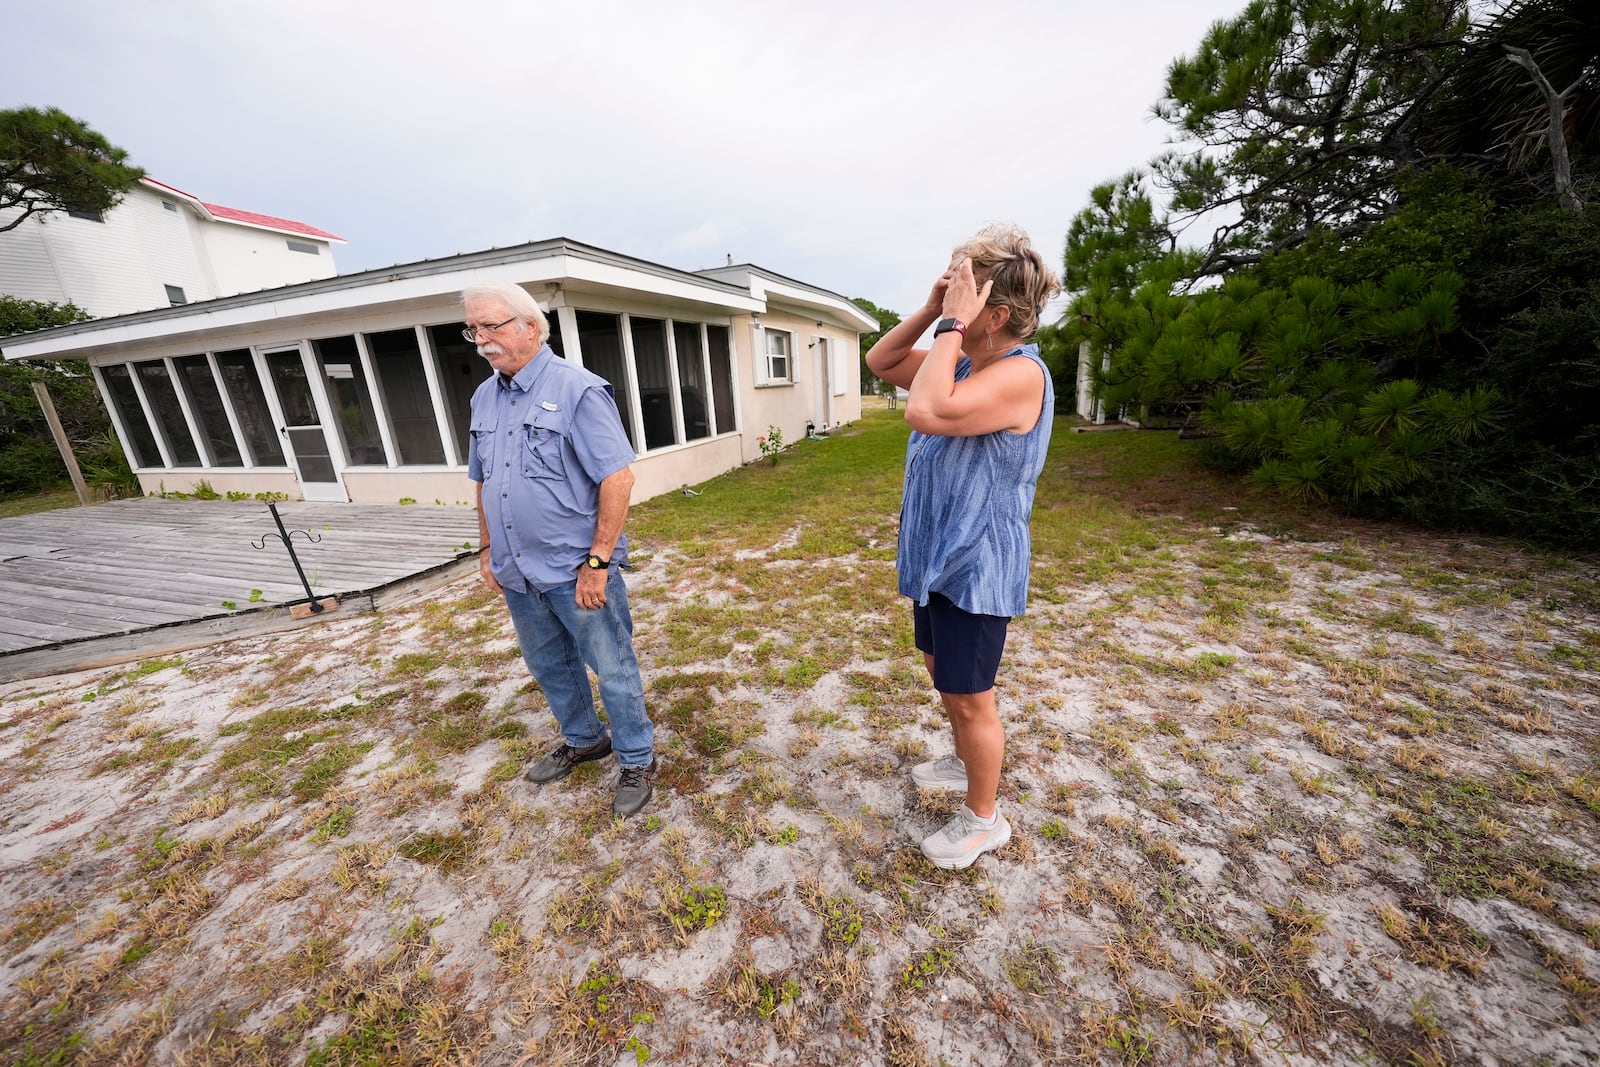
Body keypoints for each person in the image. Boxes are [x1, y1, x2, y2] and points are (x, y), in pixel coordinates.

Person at [864, 224, 1061, 869]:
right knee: (941, 671)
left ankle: (984, 819)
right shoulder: (967, 361)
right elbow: (883, 365)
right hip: (938, 554)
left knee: (972, 695)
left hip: (978, 563)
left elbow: (925, 411)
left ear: (996, 313)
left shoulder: (1019, 377)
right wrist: (931, 310)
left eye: (965, 293)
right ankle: (964, 757)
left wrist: (949, 328)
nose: (954, 301)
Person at [463, 281, 657, 817]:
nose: (481, 340)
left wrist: (597, 563)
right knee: (548, 662)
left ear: (529, 326)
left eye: (491, 326)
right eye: (473, 329)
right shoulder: (484, 396)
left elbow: (617, 480)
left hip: (576, 570)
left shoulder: (578, 389)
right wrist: (485, 550)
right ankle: (584, 739)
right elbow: (483, 480)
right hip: (517, 570)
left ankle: (637, 756)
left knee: (612, 665)